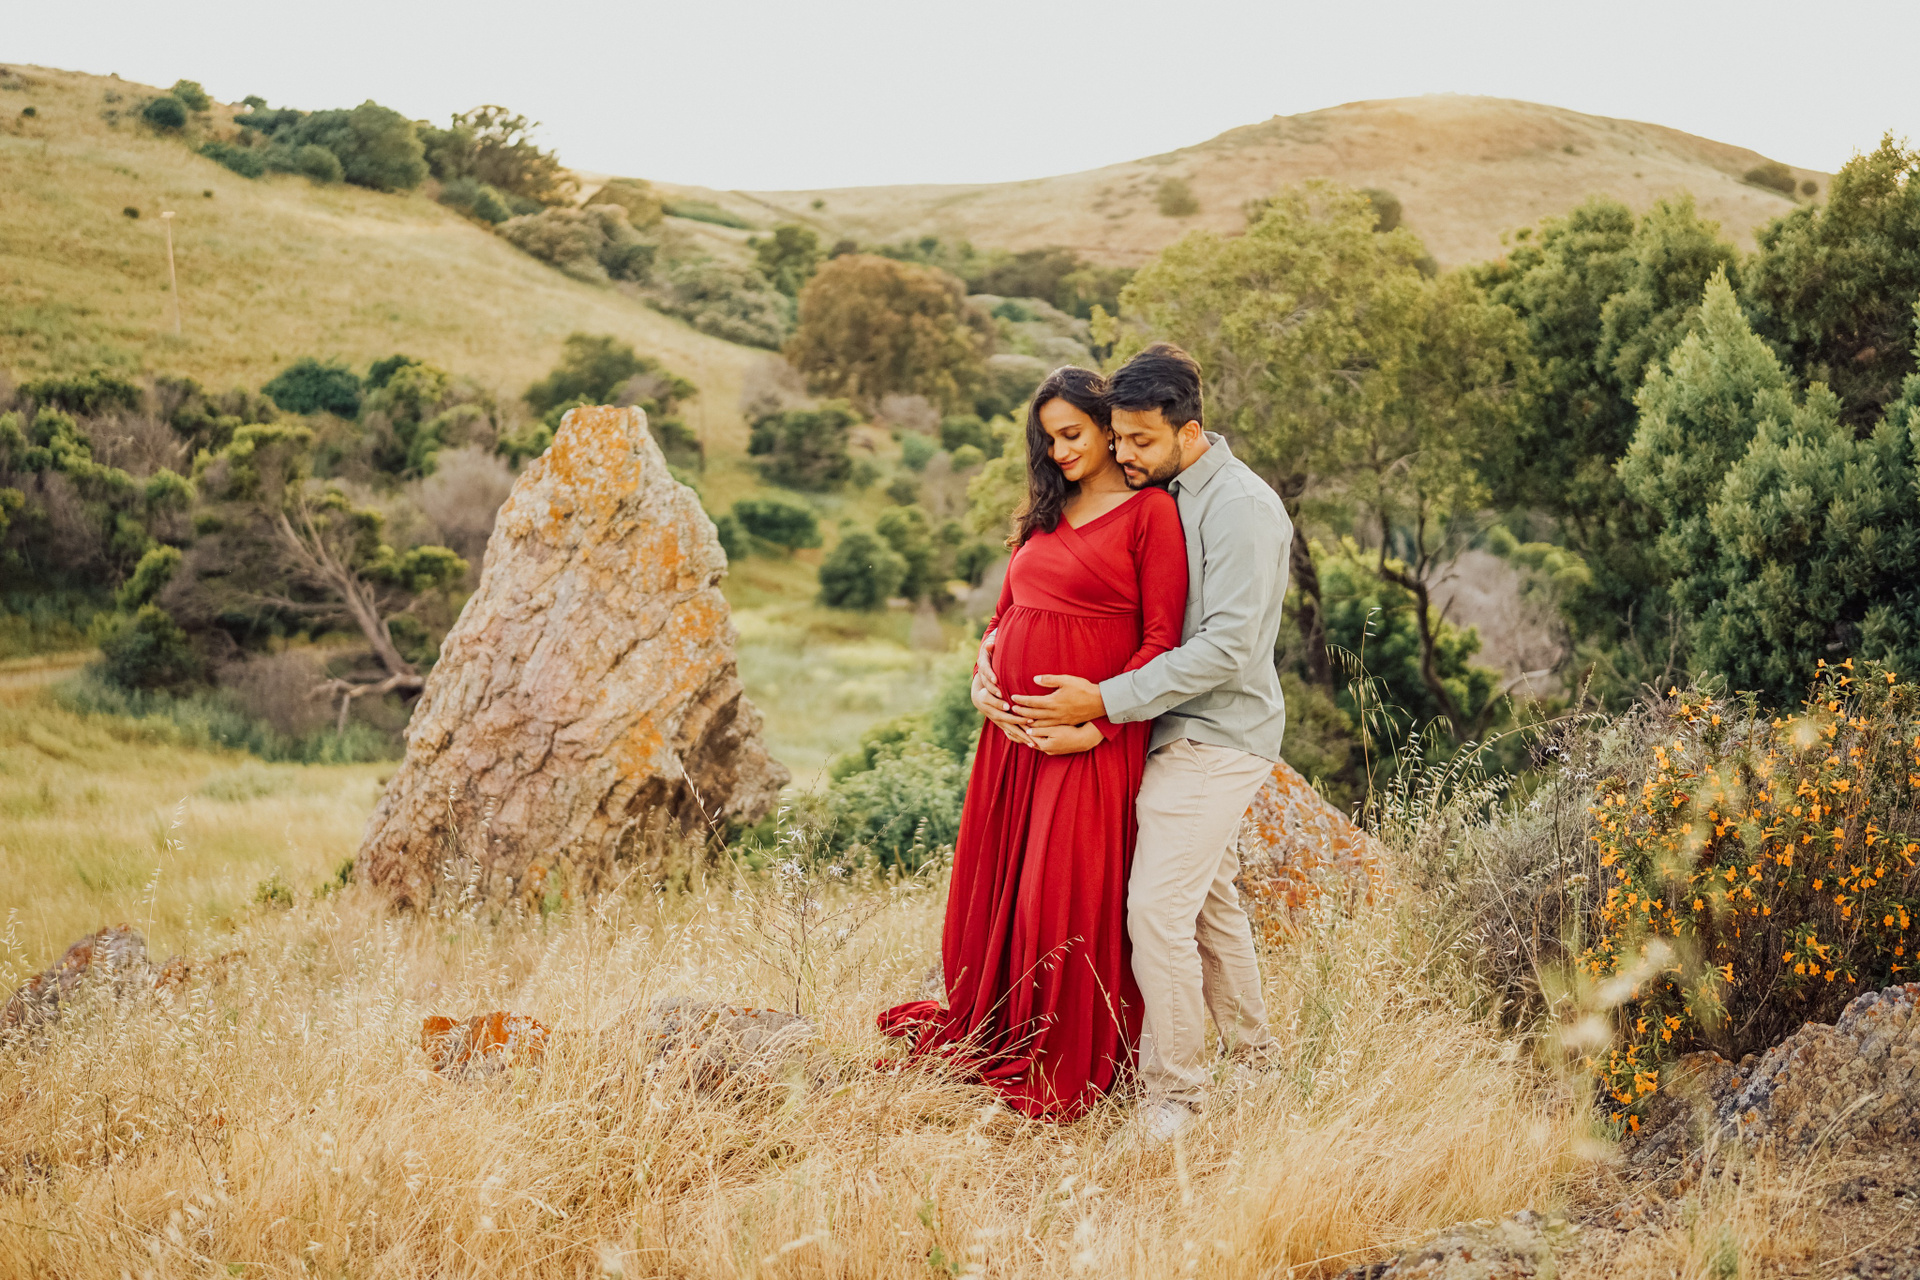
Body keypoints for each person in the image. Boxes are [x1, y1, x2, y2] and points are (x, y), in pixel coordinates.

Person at [975, 342, 1293, 1144]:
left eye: (1140, 441)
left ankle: (1176, 1098)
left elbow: (1227, 649)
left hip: (1213, 736)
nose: (1124, 455)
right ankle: (1258, 1064)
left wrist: (1104, 702)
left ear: (1190, 430)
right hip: (1163, 730)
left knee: (1154, 910)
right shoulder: (1171, 490)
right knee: (1211, 905)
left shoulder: (1242, 508)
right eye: (1117, 439)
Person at [878, 366, 1188, 1121]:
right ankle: (998, 1023)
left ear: (1107, 428)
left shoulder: (1150, 514)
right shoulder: (1043, 514)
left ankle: (1066, 1054)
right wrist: (983, 673)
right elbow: (1005, 612)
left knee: (1059, 896)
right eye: (1048, 440)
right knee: (1000, 890)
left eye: (1072, 434)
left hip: (1088, 742)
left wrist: (1099, 725)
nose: (1060, 452)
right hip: (1011, 740)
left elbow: (1162, 643)